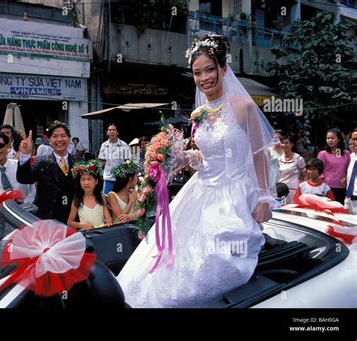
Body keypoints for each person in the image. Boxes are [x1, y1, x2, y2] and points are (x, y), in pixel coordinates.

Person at [117, 34, 275, 308]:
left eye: (210, 70)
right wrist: (181, 155)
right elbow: (206, 158)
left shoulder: (243, 107)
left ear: (223, 69)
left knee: (217, 257)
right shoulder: (198, 113)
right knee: (168, 253)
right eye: (197, 72)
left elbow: (259, 154)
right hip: (200, 191)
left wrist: (263, 198)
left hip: (233, 193)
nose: (204, 78)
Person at [17, 121, 75, 224]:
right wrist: (25, 155)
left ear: (69, 138)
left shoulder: (79, 162)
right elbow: (24, 178)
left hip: (74, 218)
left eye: (63, 136)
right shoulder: (41, 162)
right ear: (49, 140)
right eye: (55, 136)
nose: (59, 140)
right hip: (48, 218)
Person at [67, 160, 113, 230]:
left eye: (89, 179)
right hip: (86, 236)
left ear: (96, 181)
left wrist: (108, 223)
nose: (86, 182)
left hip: (101, 233)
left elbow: (108, 218)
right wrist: (81, 224)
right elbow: (69, 222)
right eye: (83, 179)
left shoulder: (101, 197)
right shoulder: (77, 200)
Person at [318, 128, 350, 204]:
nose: (330, 140)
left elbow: (349, 169)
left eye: (332, 138)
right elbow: (318, 170)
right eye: (328, 138)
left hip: (342, 187)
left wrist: (346, 177)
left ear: (338, 139)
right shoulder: (323, 154)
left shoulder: (346, 153)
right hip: (327, 187)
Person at [98, 123, 131, 195]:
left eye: (114, 130)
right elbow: (102, 161)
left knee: (120, 199)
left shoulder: (124, 145)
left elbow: (128, 161)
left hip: (121, 178)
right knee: (106, 198)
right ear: (107, 132)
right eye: (110, 130)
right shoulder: (104, 145)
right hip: (108, 177)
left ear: (117, 132)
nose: (112, 132)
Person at [107, 160, 139, 224]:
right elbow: (120, 218)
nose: (137, 179)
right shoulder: (112, 195)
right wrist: (131, 200)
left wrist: (132, 216)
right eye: (136, 176)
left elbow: (140, 212)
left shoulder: (135, 192)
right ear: (130, 179)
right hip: (121, 229)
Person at [278, 134, 306, 203]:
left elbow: (306, 175)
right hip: (281, 190)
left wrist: (302, 188)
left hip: (294, 190)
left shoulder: (299, 159)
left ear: (292, 144)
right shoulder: (279, 158)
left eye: (286, 143)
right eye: (282, 143)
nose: (284, 145)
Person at [345, 129, 357, 214]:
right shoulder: (352, 157)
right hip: (349, 199)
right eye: (353, 139)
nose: (354, 142)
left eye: (356, 139)